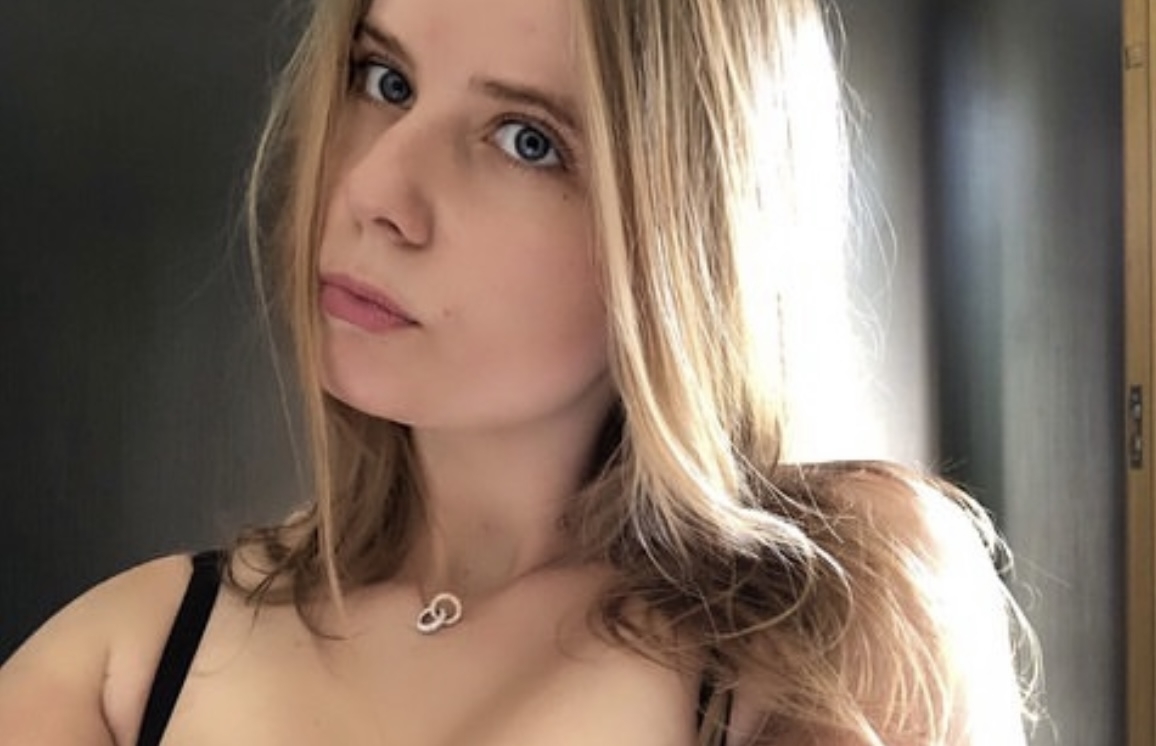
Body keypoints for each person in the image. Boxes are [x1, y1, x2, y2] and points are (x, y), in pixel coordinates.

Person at [0, 0, 1036, 743]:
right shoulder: (131, 656)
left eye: (525, 140)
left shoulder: (829, 607)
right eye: (385, 80)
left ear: (687, 228)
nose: (374, 189)